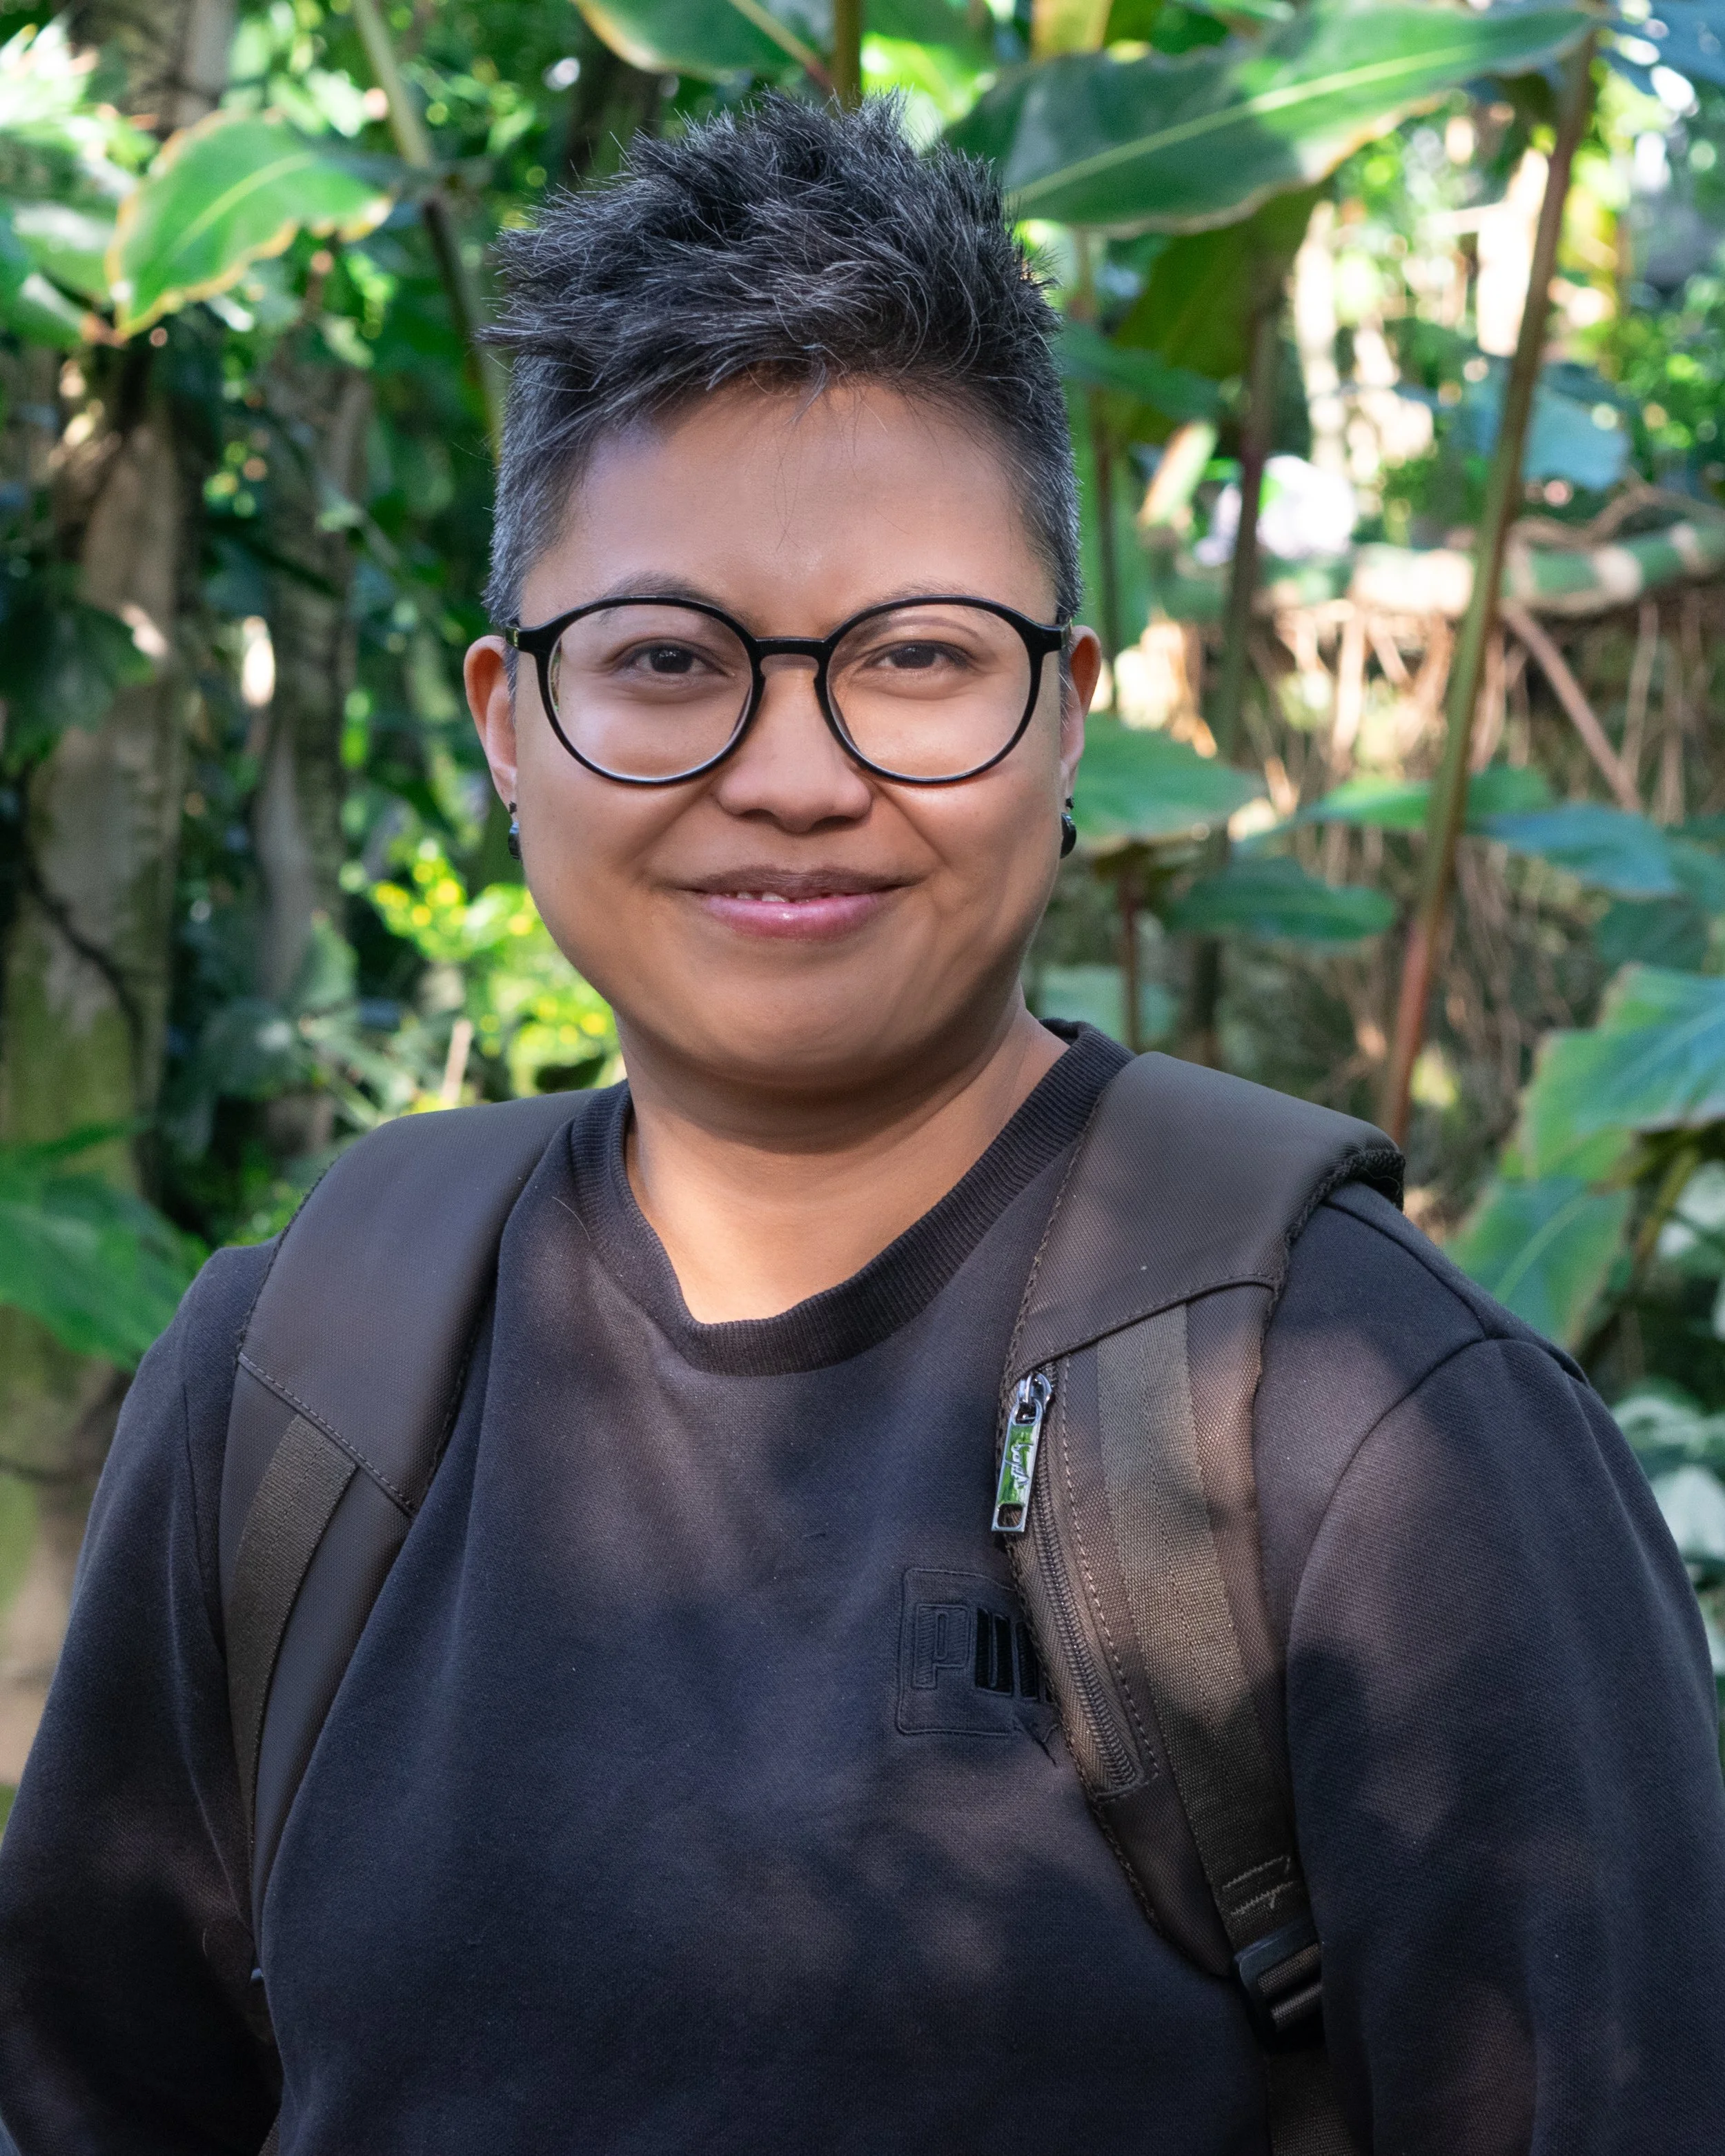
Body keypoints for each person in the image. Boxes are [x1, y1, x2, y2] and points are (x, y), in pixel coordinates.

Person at [1, 94, 1722, 2156]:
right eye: (663, 658)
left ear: (1069, 710)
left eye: (914, 657)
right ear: (506, 725)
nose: (794, 773)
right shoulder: (304, 1383)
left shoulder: (1363, 1432)